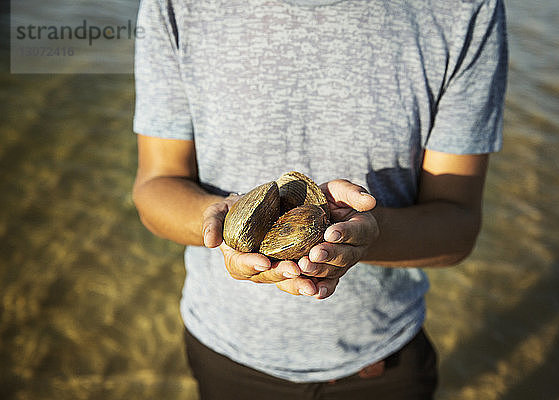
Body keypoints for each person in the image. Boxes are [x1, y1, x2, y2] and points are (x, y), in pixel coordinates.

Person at [131, 0, 507, 399]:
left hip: (380, 361)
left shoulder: (464, 9)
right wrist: (218, 223)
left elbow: (457, 226)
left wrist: (364, 237)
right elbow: (156, 184)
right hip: (226, 352)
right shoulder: (176, 5)